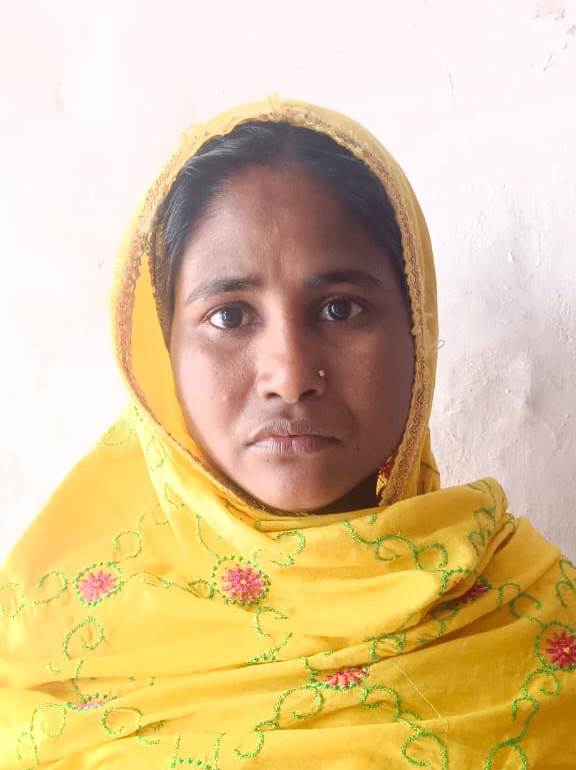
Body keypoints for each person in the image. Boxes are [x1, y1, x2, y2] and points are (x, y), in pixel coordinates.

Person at [0, 96, 574, 769]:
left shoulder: (536, 625)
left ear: (416, 328)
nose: (291, 375)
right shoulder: (50, 643)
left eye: (340, 308)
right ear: (163, 352)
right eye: (229, 316)